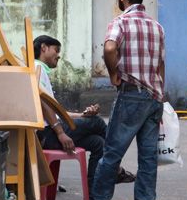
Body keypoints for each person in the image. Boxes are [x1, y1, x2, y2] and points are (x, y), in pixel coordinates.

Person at [79, 0, 166, 200]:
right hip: (154, 96)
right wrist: (160, 94)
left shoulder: (120, 23)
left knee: (112, 151)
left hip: (132, 93)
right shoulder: (157, 27)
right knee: (148, 157)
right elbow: (161, 64)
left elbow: (109, 49)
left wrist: (113, 72)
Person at [33, 34, 133, 189]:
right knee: (98, 123)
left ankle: (95, 199)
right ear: (44, 48)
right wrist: (60, 132)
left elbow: (56, 111)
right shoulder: (36, 68)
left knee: (97, 143)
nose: (58, 55)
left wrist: (82, 115)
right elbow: (42, 104)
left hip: (50, 130)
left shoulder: (41, 70)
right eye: (56, 50)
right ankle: (116, 169)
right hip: (46, 134)